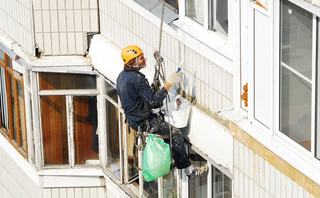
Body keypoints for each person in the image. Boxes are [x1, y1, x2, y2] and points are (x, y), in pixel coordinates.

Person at [116, 45, 208, 177]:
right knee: (175, 134)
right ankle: (189, 170)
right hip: (143, 121)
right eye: (141, 58)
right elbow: (153, 101)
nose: (145, 59)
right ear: (133, 62)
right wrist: (169, 84)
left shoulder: (122, 76)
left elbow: (141, 97)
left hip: (134, 119)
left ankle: (179, 159)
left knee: (167, 133)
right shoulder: (138, 79)